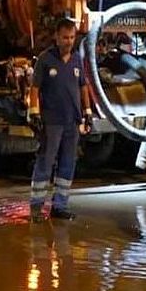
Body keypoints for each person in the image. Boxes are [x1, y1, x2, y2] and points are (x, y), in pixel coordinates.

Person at [28, 18, 93, 223]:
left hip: (71, 122)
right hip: (52, 121)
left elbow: (83, 86)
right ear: (56, 37)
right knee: (46, 162)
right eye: (65, 37)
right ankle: (37, 208)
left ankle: (60, 206)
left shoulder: (76, 60)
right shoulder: (45, 60)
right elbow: (35, 88)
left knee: (67, 164)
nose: (69, 41)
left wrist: (88, 111)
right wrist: (34, 112)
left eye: (72, 37)